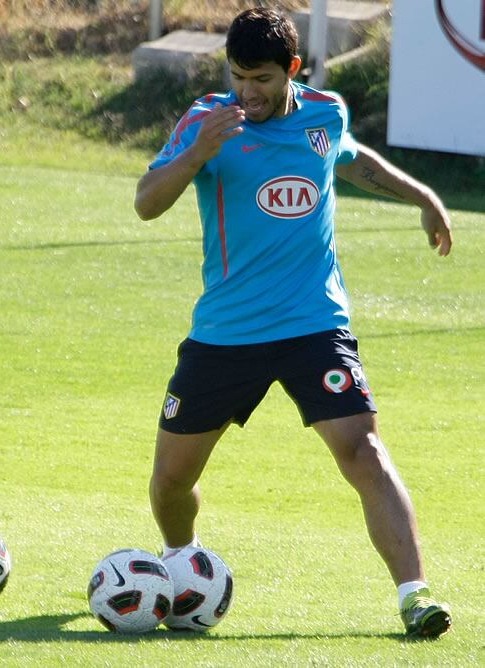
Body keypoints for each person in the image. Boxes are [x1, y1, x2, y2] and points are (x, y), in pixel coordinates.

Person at [134, 7, 453, 638]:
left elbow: (355, 160)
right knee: (172, 479)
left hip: (314, 324)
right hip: (226, 333)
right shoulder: (207, 121)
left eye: (261, 78)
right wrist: (199, 153)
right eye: (237, 75)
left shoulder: (323, 113)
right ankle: (180, 561)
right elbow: (146, 202)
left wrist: (424, 197)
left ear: (293, 71)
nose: (246, 92)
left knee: (362, 449)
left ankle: (415, 595)